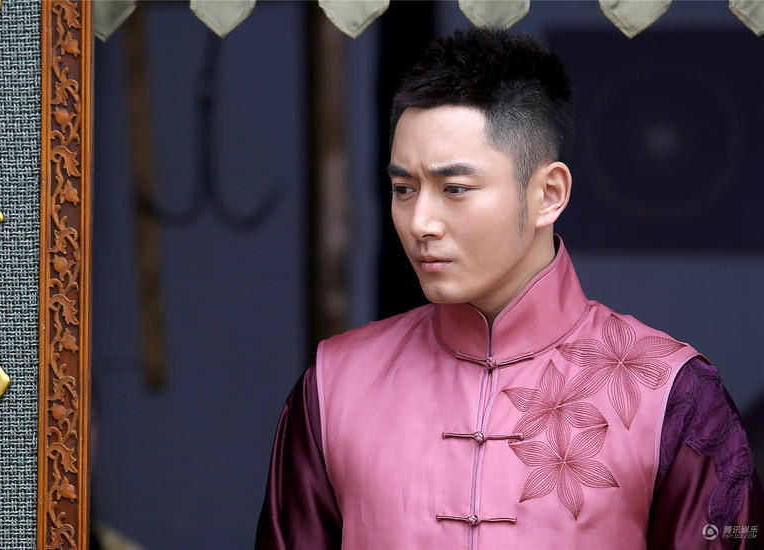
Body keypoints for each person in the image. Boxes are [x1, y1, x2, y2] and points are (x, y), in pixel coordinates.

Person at [255, 28, 763, 549]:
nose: (420, 222)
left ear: (548, 194)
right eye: (403, 189)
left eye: (455, 189)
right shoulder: (335, 385)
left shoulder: (674, 394)